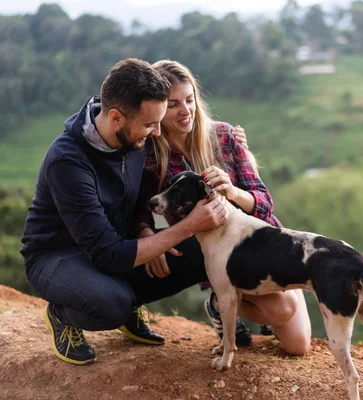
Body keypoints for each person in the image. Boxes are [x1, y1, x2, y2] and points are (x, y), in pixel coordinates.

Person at [20, 58, 229, 365]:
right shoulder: (67, 162)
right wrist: (182, 229)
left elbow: (184, 132)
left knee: (202, 251)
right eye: (150, 124)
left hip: (113, 245)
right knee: (112, 304)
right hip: (57, 256)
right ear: (116, 117)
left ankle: (122, 297)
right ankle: (63, 314)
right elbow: (107, 254)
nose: (158, 132)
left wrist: (233, 136)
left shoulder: (133, 137)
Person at [134, 60, 312, 356]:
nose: (185, 110)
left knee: (298, 346)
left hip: (266, 243)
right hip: (221, 256)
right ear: (159, 107)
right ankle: (221, 304)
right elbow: (136, 206)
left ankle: (231, 305)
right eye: (174, 104)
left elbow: (264, 204)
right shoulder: (151, 158)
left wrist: (232, 191)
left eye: (190, 100)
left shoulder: (225, 136)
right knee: (283, 308)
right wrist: (145, 232)